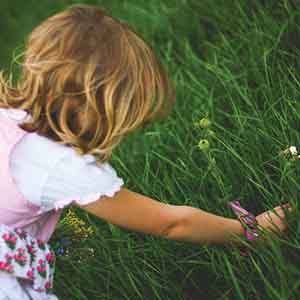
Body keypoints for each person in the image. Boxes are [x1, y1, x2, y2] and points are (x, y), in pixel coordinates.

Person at [0, 4, 293, 300]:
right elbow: (172, 223)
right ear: (105, 108)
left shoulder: (6, 115)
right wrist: (249, 231)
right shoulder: (59, 165)